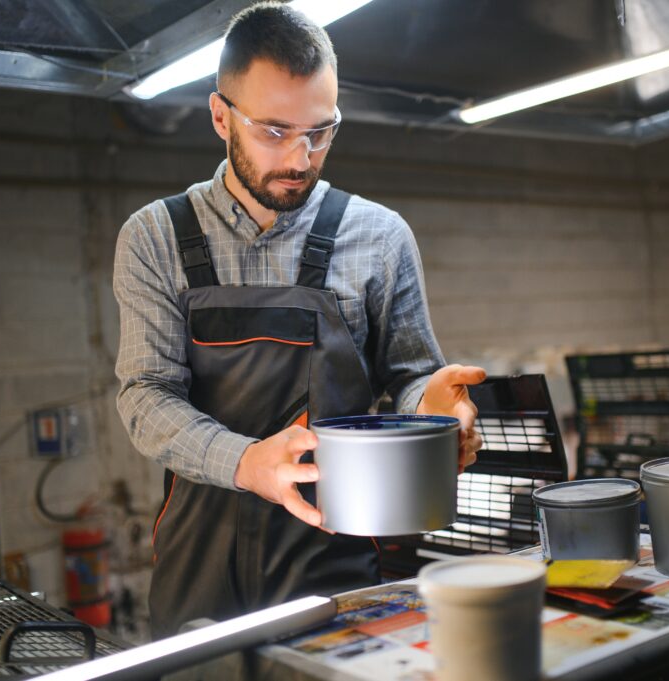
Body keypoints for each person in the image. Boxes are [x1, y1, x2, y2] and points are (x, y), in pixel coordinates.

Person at [113, 1, 486, 639]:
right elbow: (146, 394)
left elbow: (412, 376)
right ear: (220, 116)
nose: (301, 158)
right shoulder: (154, 237)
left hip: (338, 564)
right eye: (275, 131)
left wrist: (437, 409)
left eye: (321, 131)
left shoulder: (379, 236)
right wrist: (247, 461)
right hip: (198, 570)